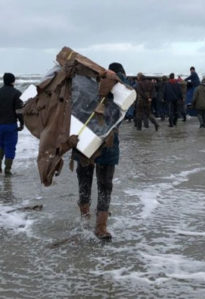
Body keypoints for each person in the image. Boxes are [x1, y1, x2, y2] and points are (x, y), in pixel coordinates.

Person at [73, 62, 128, 241]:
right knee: (105, 184)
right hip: (106, 141)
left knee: (84, 179)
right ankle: (101, 226)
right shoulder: (121, 88)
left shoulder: (87, 85)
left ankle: (85, 218)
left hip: (83, 139)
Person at [0, 73, 24, 176]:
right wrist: (22, 123)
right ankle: (7, 170)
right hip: (10, 125)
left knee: (1, 143)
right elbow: (19, 111)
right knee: (10, 146)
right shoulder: (17, 93)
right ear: (13, 81)